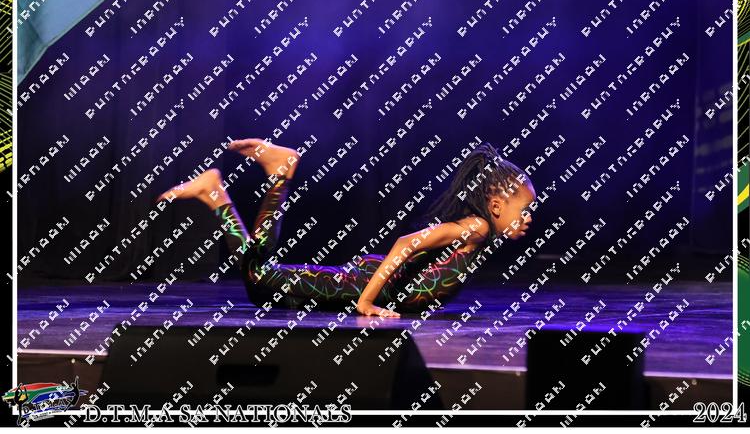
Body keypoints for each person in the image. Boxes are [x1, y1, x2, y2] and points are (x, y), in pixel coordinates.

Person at [156, 138, 536, 318]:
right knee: (258, 275)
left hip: (354, 286)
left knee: (261, 290)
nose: (529, 219)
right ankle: (279, 173)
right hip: (354, 285)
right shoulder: (475, 229)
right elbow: (406, 244)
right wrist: (366, 301)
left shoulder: (480, 235)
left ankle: (216, 193)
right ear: (496, 206)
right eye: (524, 210)